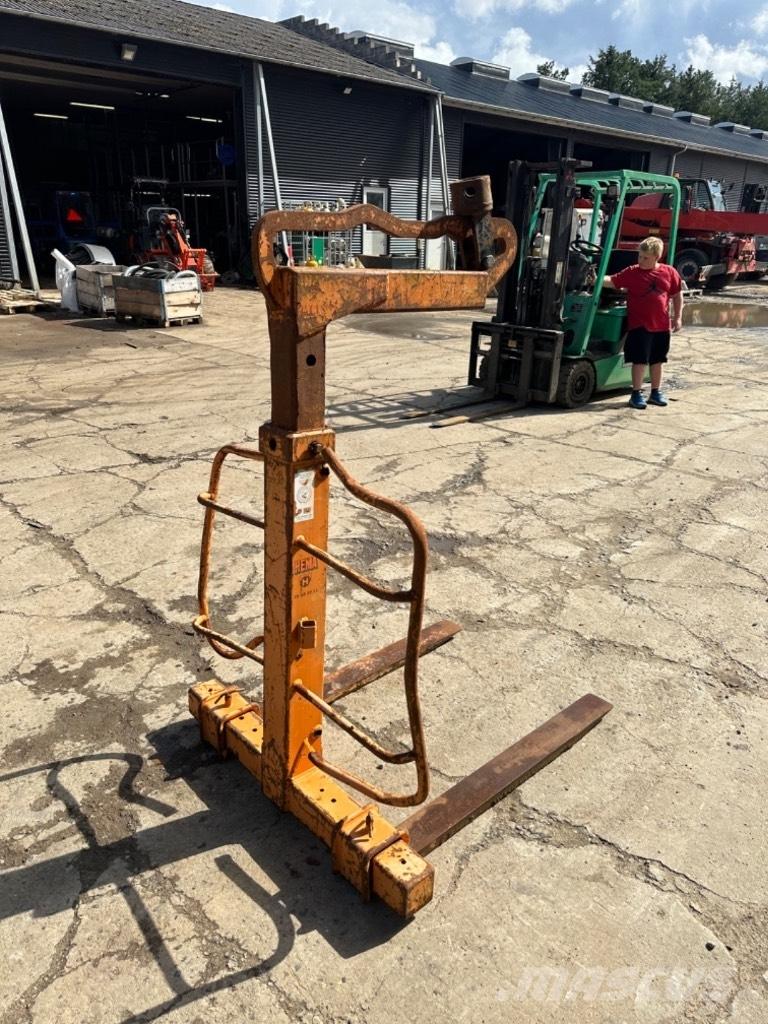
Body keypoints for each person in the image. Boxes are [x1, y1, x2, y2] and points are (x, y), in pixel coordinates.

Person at [604, 236, 683, 409]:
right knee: (639, 360)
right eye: (640, 256)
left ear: (656, 257)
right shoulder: (632, 272)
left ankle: (655, 392)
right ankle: (636, 393)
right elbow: (613, 281)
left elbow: (677, 295)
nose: (641, 260)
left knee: (658, 360)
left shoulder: (669, 272)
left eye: (645, 258)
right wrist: (595, 279)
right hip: (640, 325)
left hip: (661, 325)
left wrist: (677, 317)